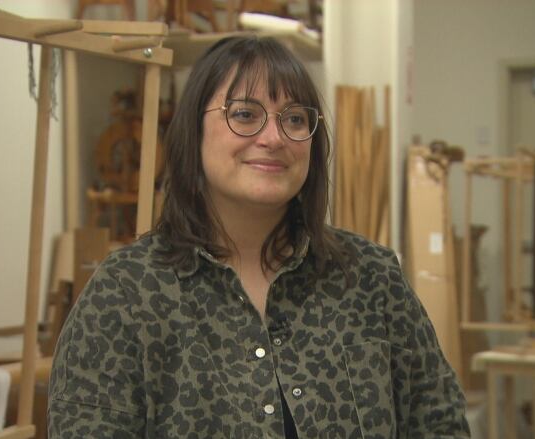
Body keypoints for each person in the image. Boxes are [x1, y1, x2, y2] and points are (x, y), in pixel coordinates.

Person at [48, 35, 470, 438]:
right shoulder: (125, 294)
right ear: (194, 132)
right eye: (245, 114)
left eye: (294, 119)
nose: (273, 138)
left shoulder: (370, 278)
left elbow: (440, 422)